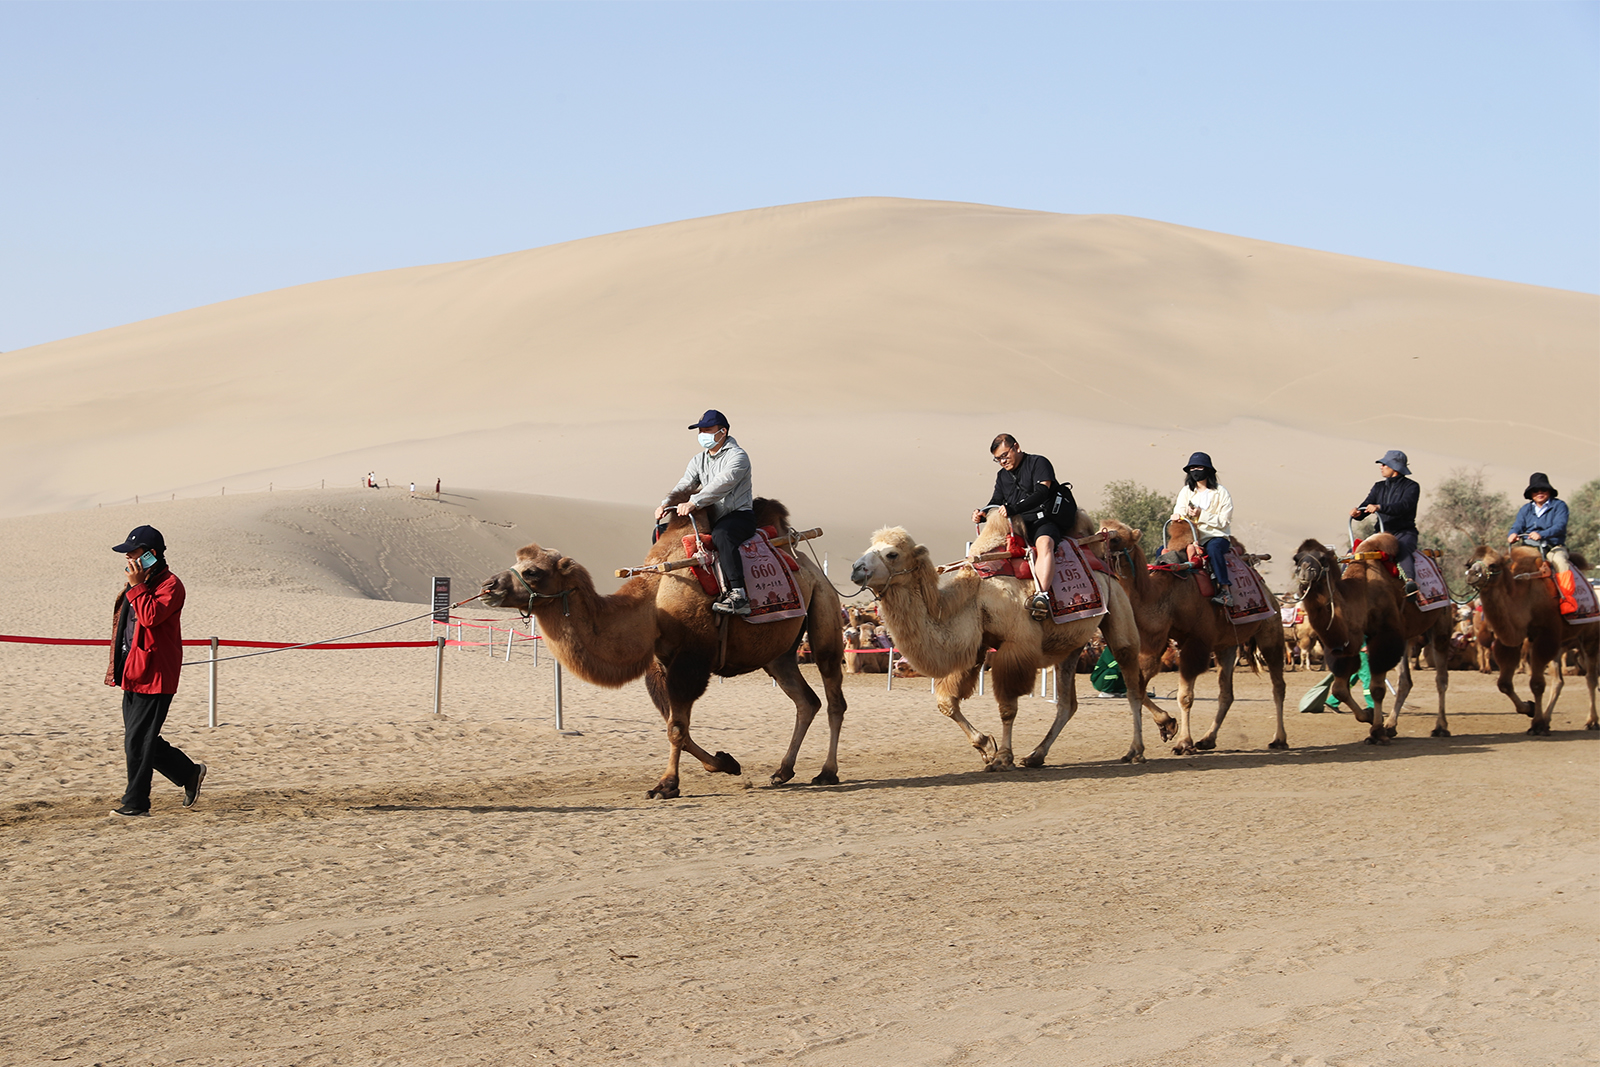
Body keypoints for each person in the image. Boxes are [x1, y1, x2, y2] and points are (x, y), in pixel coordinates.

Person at [104, 525, 205, 817]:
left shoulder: (171, 585)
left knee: (138, 739)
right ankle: (188, 773)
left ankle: (136, 804)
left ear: (152, 554)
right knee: (140, 738)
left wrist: (137, 586)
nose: (129, 560)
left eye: (134, 553)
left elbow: (150, 617)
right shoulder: (141, 584)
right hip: (133, 671)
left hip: (156, 674)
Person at [657, 409, 756, 616]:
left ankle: (739, 595)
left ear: (723, 431)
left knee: (722, 536)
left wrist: (694, 502)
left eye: (708, 430)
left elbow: (723, 483)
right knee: (663, 532)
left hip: (737, 516)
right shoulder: (698, 460)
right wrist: (666, 504)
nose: (703, 434)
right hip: (709, 516)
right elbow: (686, 483)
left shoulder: (738, 457)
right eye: (700, 430)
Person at [973, 434, 1075, 621]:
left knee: (1045, 543)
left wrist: (1014, 508)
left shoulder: (1038, 463)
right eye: (998, 459)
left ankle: (1042, 596)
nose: (1002, 461)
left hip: (1044, 520)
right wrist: (983, 513)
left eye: (1004, 455)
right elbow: (996, 501)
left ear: (1016, 447)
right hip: (1017, 526)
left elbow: (1042, 491)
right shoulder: (1002, 476)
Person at [1169, 452, 1235, 607]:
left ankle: (1225, 591)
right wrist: (1177, 515)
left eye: (1199, 467)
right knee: (1164, 552)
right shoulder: (1186, 491)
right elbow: (1178, 509)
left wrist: (1202, 515)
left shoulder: (1221, 493)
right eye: (1192, 468)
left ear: (1208, 470)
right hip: (1189, 537)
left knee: (1214, 550)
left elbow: (1224, 521)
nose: (1195, 471)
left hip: (1216, 536)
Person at [1350, 449, 1420, 593]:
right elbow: (1366, 506)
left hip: (1403, 532)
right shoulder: (1378, 487)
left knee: (1403, 549)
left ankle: (1410, 583)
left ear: (1394, 467)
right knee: (1354, 553)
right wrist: (1357, 513)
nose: (1381, 467)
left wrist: (1380, 507)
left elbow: (1404, 506)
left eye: (1384, 464)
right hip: (1380, 534)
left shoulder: (1412, 487)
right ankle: (1344, 583)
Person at [1508, 472, 1571, 573]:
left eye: (1543, 489)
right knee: (1508, 565)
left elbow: (1560, 526)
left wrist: (1541, 535)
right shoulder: (1525, 509)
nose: (1539, 493)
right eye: (1535, 490)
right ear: (1531, 493)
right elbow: (1518, 525)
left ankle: (1566, 589)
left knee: (1560, 562)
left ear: (1549, 491)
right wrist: (1512, 534)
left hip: (1553, 547)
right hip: (1528, 548)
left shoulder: (1559, 506)